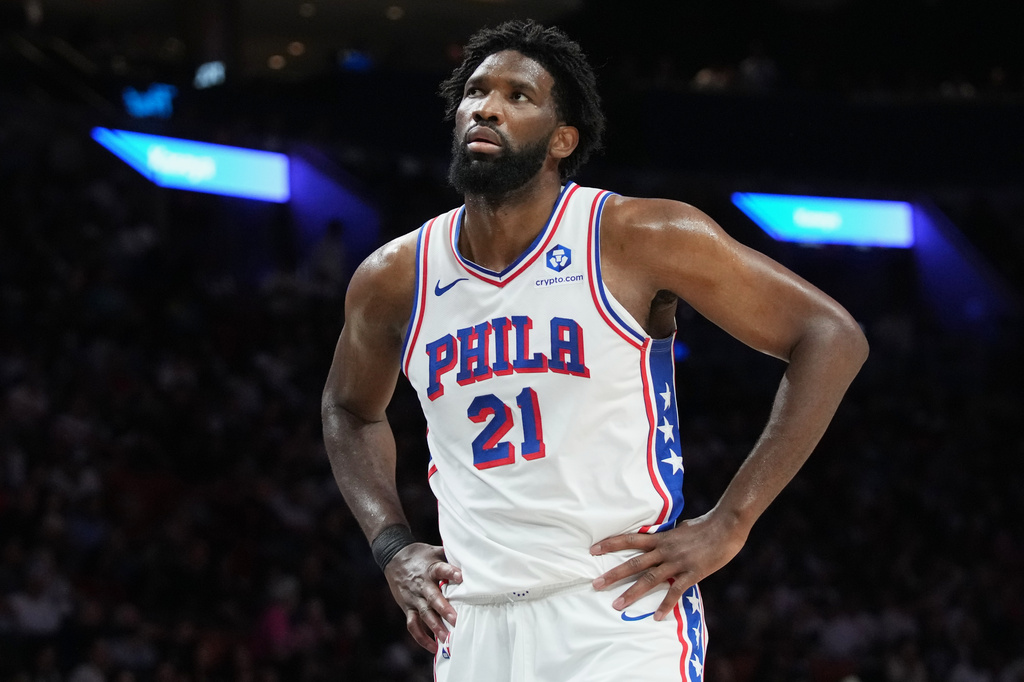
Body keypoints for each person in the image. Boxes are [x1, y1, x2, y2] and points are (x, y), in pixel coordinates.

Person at [321, 19, 868, 681]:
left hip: (615, 610)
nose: (488, 106)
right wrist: (393, 547)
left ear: (562, 139)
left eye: (519, 96)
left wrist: (733, 521)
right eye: (476, 91)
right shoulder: (395, 277)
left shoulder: (639, 236)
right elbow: (349, 410)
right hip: (472, 622)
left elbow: (830, 336)